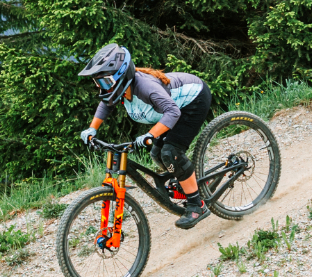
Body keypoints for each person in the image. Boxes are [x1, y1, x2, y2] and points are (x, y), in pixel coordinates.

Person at [76, 44, 214, 229]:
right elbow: (106, 105)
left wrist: (150, 134)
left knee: (171, 152)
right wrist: (92, 129)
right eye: (98, 83)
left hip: (193, 102)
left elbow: (172, 112)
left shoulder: (145, 87)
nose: (102, 87)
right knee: (157, 153)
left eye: (105, 82)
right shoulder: (121, 88)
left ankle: (198, 205)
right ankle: (185, 179)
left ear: (120, 75)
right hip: (173, 110)